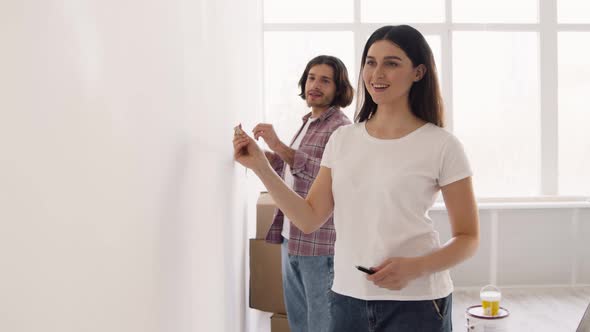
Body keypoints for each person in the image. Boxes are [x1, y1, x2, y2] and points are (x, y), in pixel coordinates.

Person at [234, 25, 479, 331]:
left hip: (417, 302)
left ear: (418, 72)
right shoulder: (343, 139)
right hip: (347, 298)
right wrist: (259, 165)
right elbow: (309, 218)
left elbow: (469, 238)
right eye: (370, 62)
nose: (377, 73)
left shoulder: (442, 145)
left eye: (391, 63)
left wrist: (415, 268)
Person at [251, 55, 353, 332]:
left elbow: (321, 175)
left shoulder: (340, 129)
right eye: (311, 78)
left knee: (321, 325)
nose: (315, 85)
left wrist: (278, 143)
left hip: (319, 246)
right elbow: (292, 170)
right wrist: (261, 155)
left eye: (325, 80)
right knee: (300, 324)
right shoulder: (309, 122)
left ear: (338, 88)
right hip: (291, 238)